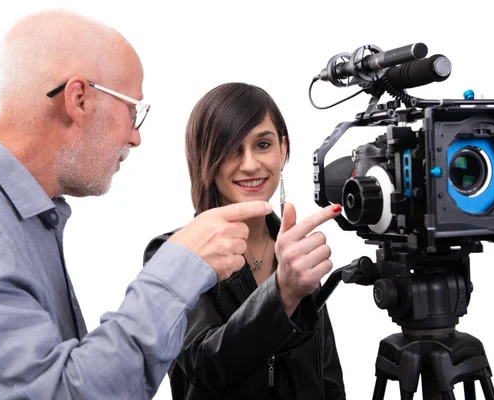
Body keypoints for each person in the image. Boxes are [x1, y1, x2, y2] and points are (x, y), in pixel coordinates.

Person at [0, 10, 278, 400]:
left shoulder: (15, 219)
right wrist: (177, 271)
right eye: (132, 110)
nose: (135, 137)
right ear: (78, 99)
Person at [143, 82, 346, 399]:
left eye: (262, 145)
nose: (250, 164)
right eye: (230, 149)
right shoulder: (174, 252)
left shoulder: (292, 250)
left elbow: (327, 377)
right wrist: (282, 294)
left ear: (283, 149)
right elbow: (207, 366)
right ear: (205, 160)